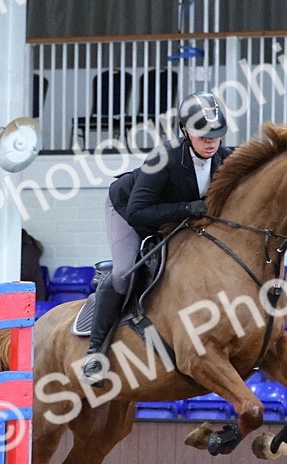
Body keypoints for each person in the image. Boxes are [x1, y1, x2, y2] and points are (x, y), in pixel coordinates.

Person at [81, 91, 233, 385]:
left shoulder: (226, 159)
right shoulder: (164, 158)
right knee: (125, 272)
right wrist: (187, 208)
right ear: (185, 131)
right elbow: (139, 212)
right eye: (203, 135)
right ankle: (94, 355)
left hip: (176, 219)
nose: (211, 141)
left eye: (217, 134)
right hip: (128, 212)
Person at [20, 229, 48, 301]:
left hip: (33, 295)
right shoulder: (28, 248)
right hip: (31, 293)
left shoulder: (28, 250)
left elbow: (26, 273)